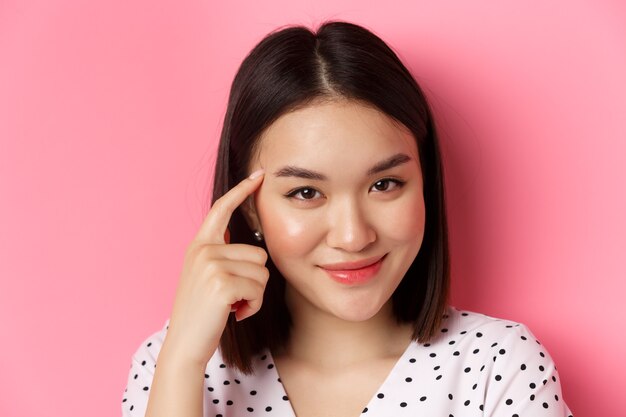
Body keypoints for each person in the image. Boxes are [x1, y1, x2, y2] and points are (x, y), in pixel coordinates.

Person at [121, 20, 573, 417]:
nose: (354, 236)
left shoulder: (496, 366)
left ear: (425, 182)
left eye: (384, 185)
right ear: (249, 204)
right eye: (305, 192)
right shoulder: (173, 362)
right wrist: (182, 364)